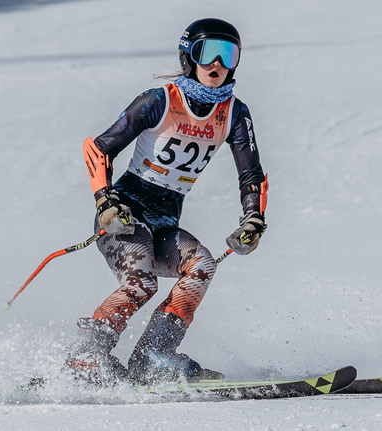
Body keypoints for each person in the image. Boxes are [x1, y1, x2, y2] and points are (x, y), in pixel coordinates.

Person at [66, 18, 268, 386]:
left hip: (164, 222)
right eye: (210, 53)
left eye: (229, 54)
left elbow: (252, 175)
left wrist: (253, 219)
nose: (218, 64)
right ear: (189, 55)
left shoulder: (234, 114)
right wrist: (105, 201)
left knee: (202, 264)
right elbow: (97, 148)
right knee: (141, 281)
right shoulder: (160, 100)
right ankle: (86, 354)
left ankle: (151, 356)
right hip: (124, 216)